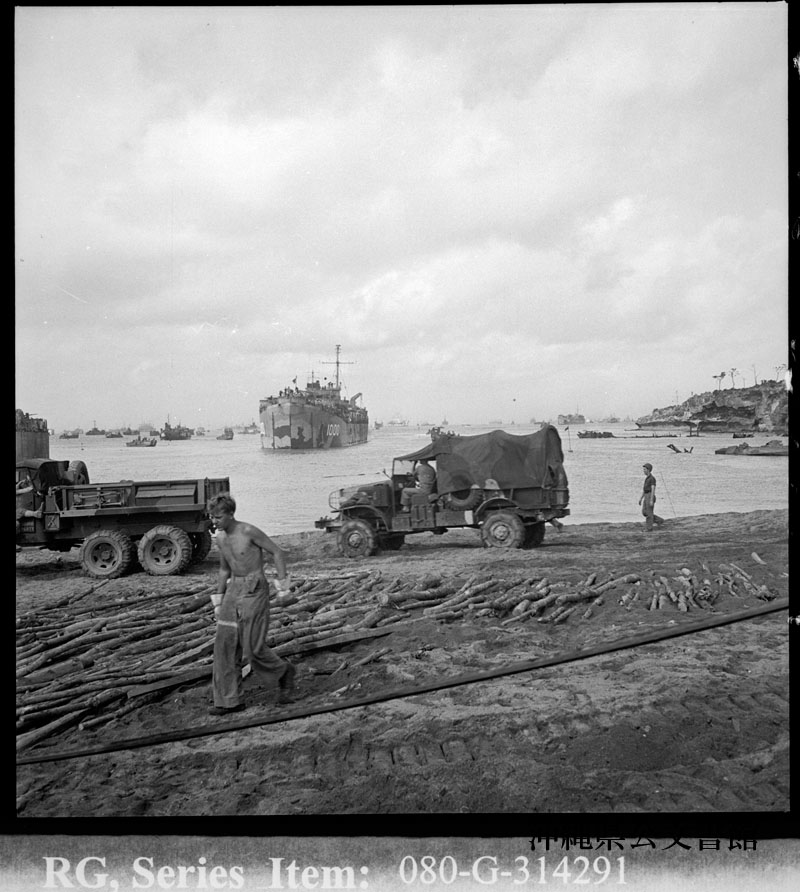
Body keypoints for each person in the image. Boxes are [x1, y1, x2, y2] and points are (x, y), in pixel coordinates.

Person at [206, 492, 296, 716]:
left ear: (230, 514)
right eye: (212, 517)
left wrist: (283, 588)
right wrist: (218, 600)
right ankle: (229, 700)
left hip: (254, 588)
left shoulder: (248, 531)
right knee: (224, 645)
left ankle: (283, 672)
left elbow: (277, 552)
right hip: (233, 590)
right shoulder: (220, 538)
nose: (214, 521)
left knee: (252, 647)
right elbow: (224, 569)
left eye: (218, 517)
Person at [639, 462, 665, 531]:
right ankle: (659, 520)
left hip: (650, 495)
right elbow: (644, 489)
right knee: (644, 512)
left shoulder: (652, 478)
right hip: (646, 495)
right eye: (643, 469)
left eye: (645, 469)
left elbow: (653, 489)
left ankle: (649, 528)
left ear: (648, 470)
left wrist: (651, 499)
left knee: (649, 513)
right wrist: (641, 498)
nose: (643, 471)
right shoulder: (646, 478)